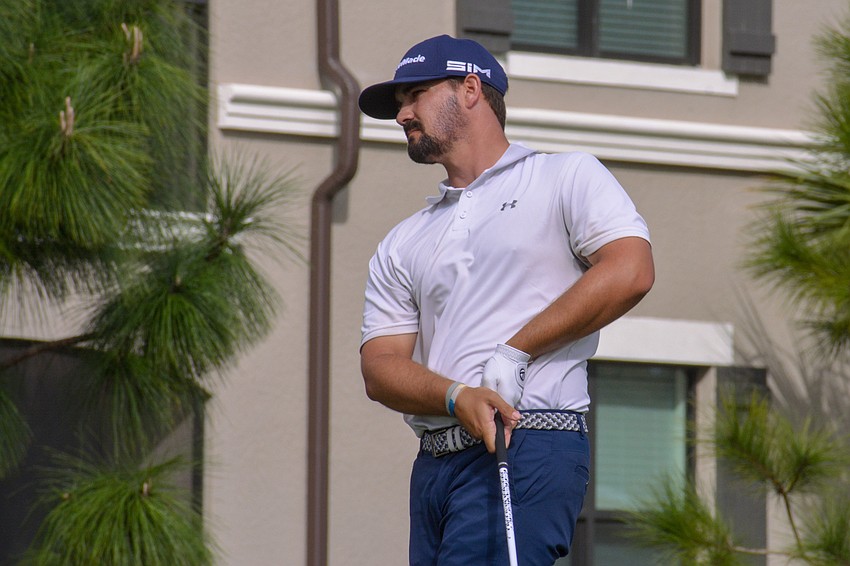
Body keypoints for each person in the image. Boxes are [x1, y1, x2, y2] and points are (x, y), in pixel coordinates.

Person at [358, 34, 654, 566]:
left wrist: (515, 351)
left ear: (470, 89)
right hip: (434, 466)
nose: (402, 114)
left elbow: (631, 269)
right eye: (399, 104)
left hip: (525, 444)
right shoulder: (403, 240)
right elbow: (379, 369)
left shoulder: (564, 176)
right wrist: (455, 395)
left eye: (414, 95)